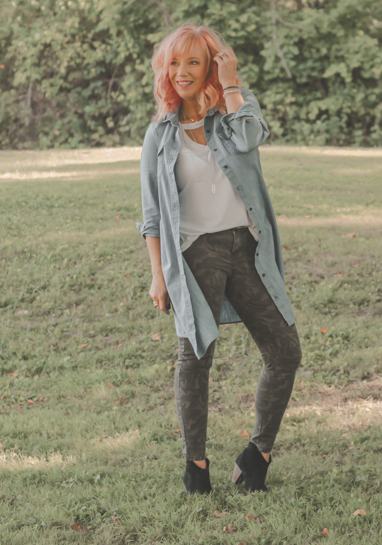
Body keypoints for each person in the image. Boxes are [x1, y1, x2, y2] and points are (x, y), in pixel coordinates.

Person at [136, 24, 302, 494]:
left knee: (285, 350)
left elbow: (253, 138)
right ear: (164, 71)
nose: (182, 72)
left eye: (193, 61)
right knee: (196, 357)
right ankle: (197, 468)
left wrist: (231, 85)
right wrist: (158, 275)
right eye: (174, 63)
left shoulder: (234, 113)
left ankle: (257, 454)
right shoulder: (159, 135)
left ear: (211, 64)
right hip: (195, 253)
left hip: (246, 248)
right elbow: (151, 216)